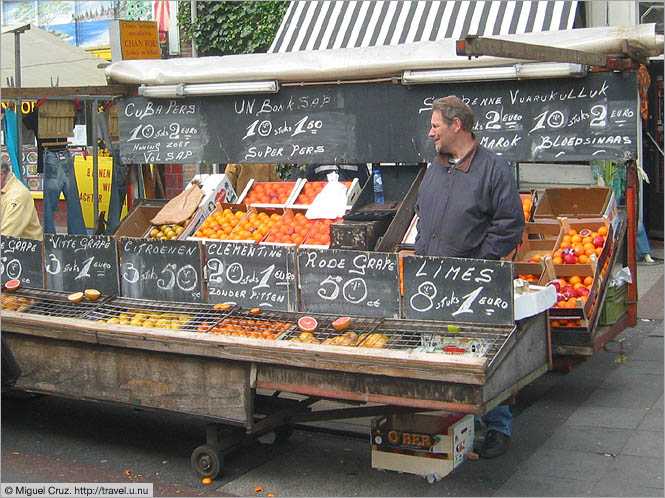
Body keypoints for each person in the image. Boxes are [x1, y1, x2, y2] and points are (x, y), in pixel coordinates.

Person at [414, 96, 524, 458]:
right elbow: (423, 213)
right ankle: (462, 423)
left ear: (456, 125)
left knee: (484, 357)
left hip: (473, 284)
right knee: (450, 356)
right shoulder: (436, 166)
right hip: (433, 281)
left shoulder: (493, 169)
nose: (431, 132)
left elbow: (510, 225)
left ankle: (498, 425)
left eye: (435, 125)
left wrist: (478, 262)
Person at [1, 160, 42, 240]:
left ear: (2, 174)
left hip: (27, 249)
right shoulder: (4, 188)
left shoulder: (16, 197)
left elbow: (6, 236)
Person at [305, 162, 370, 186]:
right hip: (349, 200)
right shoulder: (356, 160)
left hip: (321, 198)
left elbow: (310, 178)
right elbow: (364, 182)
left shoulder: (317, 160)